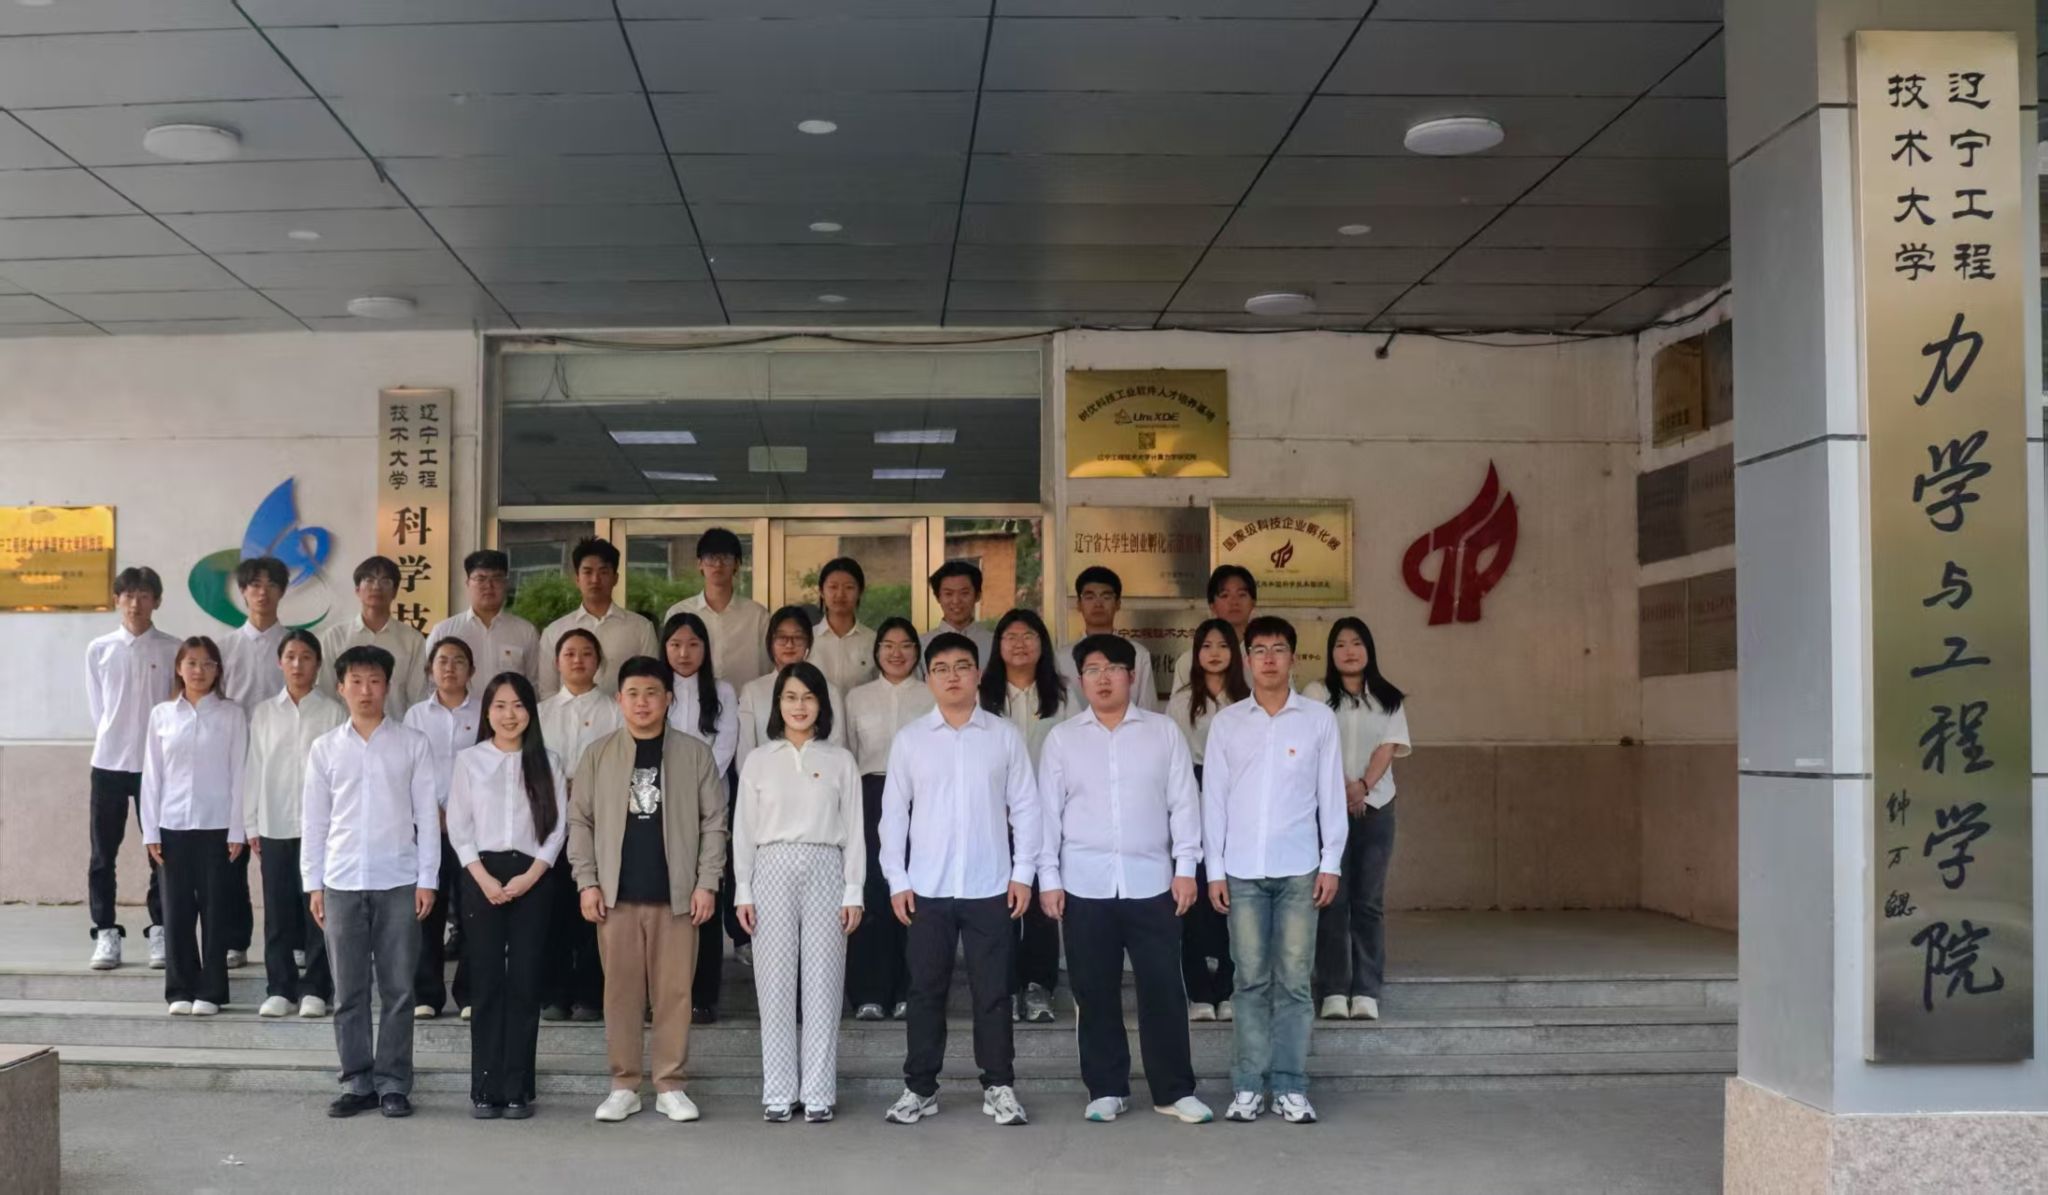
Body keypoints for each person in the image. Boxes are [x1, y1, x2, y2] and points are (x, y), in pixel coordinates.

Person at [1038, 634, 1210, 1125]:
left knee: (1163, 989)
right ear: (1080, 680)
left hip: (1152, 882)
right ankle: (1106, 1088)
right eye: (1093, 670)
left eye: (1113, 668)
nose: (1104, 678)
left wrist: (1186, 869)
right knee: (1093, 992)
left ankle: (1173, 1090)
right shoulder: (1063, 740)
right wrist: (1048, 877)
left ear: (1132, 676)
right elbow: (1047, 815)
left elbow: (1184, 804)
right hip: (1084, 884)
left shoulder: (1162, 732)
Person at [879, 632, 1037, 1128]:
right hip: (927, 887)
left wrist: (1024, 873)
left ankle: (999, 1086)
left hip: (991, 884)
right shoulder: (910, 740)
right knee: (925, 991)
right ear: (928, 678)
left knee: (994, 992)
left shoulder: (1003, 735)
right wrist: (897, 879)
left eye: (962, 666)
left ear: (978, 674)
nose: (953, 676)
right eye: (942, 668)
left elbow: (1026, 807)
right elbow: (893, 816)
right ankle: (920, 1089)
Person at [566, 657, 728, 1125]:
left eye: (652, 693)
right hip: (615, 896)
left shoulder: (694, 754)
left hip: (677, 897)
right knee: (620, 993)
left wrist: (707, 882)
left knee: (675, 993)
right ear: (619, 700)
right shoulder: (598, 754)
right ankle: (624, 1085)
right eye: (633, 693)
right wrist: (587, 881)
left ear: (669, 699)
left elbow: (714, 823)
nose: (642, 702)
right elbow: (580, 821)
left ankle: (670, 1085)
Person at [1202, 616, 1346, 1126]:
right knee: (1249, 982)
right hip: (1241, 871)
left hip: (1300, 869)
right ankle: (1247, 1086)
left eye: (1278, 649)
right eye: (1259, 649)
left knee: (1294, 984)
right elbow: (1213, 800)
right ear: (1247, 660)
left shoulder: (1317, 720)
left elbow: (1331, 796)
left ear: (1293, 658)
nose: (1268, 658)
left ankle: (1289, 1086)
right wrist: (1214, 870)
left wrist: (1331, 862)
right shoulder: (1227, 723)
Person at [301, 644, 441, 1120]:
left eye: (375, 681)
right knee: (349, 991)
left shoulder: (412, 743)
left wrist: (428, 879)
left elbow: (427, 816)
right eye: (356, 681)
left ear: (388, 686)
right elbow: (315, 822)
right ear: (340, 687)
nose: (366, 690)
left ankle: (394, 1083)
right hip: (341, 880)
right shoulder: (325, 749)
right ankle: (357, 1081)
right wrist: (313, 884)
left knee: (399, 989)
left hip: (399, 879)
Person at [733, 662, 864, 1122]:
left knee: (824, 983)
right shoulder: (759, 760)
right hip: (771, 867)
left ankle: (819, 1092)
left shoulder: (840, 760)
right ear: (778, 704)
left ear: (822, 705)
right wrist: (743, 889)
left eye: (809, 697)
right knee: (774, 985)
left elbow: (855, 828)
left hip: (827, 865)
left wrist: (854, 890)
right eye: (790, 697)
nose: (799, 706)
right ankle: (778, 1090)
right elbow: (743, 829)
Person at [448, 672, 567, 1120]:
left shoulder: (548, 761)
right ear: (487, 712)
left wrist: (531, 876)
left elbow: (557, 829)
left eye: (518, 705)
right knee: (486, 983)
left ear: (531, 712)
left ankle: (517, 1089)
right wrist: (483, 878)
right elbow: (459, 826)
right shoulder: (469, 761)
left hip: (533, 876)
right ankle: (484, 1088)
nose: (509, 715)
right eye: (500, 706)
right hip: (482, 875)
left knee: (524, 982)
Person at [1303, 618, 1410, 1024]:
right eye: (1340, 644)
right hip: (1327, 807)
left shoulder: (1388, 698)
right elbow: (1311, 746)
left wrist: (1362, 786)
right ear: (1330, 653)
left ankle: (1366, 989)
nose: (1349, 651)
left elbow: (1388, 747)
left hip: (1376, 806)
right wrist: (1341, 790)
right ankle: (1333, 988)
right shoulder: (1316, 694)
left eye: (1356, 643)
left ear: (1369, 649)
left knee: (1368, 901)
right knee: (1331, 899)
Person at [141, 635, 247, 1016]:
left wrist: (238, 828)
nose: (199, 671)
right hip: (172, 826)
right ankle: (180, 990)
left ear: (218, 670)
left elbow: (241, 773)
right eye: (191, 663)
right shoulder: (162, 715)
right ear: (178, 668)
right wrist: (150, 831)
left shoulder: (232, 715)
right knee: (177, 912)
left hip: (218, 826)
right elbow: (152, 776)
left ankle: (212, 991)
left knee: (217, 911)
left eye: (207, 664)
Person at [245, 629, 346, 1019]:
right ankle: (280, 988)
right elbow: (254, 768)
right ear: (279, 662)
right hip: (274, 823)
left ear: (318, 664)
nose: (298, 664)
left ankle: (317, 988)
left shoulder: (333, 712)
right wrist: (251, 824)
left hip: (321, 828)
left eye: (306, 657)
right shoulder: (264, 713)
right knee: (277, 910)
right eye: (290, 657)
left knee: (318, 910)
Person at [85, 566, 177, 971]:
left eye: (143, 595)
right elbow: (99, 709)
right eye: (128, 595)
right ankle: (105, 930)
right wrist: (115, 738)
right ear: (116, 600)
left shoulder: (172, 649)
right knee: (103, 853)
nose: (135, 603)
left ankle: (160, 928)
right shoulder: (100, 649)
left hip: (156, 767)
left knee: (161, 852)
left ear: (157, 600)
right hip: (109, 762)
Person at [841, 617, 932, 1021]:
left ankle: (909, 990)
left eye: (906, 645)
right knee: (872, 889)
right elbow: (847, 753)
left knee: (915, 890)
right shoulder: (856, 698)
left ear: (917, 652)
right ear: (876, 651)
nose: (897, 653)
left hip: (922, 798)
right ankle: (869, 992)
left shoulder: (931, 695)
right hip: (870, 795)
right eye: (888, 645)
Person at [980, 608, 1068, 1024]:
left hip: (1046, 814)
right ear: (998, 645)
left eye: (1028, 635)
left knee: (1040, 902)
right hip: (993, 815)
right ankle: (1004, 984)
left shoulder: (1062, 696)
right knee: (997, 903)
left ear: (1042, 644)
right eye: (1010, 636)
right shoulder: (982, 695)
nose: (1019, 644)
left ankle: (1038, 985)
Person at [1166, 617, 1249, 1022]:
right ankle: (1199, 991)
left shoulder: (1248, 699)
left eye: (1223, 645)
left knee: (1235, 898)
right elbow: (1173, 759)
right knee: (1194, 898)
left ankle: (1230, 988)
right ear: (1195, 654)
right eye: (1206, 646)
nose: (1214, 653)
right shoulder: (1182, 701)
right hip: (1192, 793)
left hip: (1240, 800)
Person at [535, 629, 619, 1023]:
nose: (578, 660)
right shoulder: (540, 712)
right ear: (557, 662)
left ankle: (590, 995)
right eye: (569, 653)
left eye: (587, 653)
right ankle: (554, 993)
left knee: (594, 909)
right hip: (549, 824)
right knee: (552, 910)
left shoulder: (614, 709)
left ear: (599, 661)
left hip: (599, 821)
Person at [661, 611, 740, 1021]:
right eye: (675, 644)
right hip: (662, 806)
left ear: (706, 649)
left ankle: (703, 995)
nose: (684, 653)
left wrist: (695, 789)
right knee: (665, 901)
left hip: (710, 807)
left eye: (693, 644)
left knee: (706, 896)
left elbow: (724, 748)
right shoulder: (656, 689)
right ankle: (665, 994)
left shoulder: (722, 691)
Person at [218, 555, 291, 971]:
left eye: (271, 584)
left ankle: (293, 940)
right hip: (233, 764)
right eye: (254, 585)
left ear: (282, 591)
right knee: (232, 857)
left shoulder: (295, 646)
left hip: (282, 766)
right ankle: (235, 939)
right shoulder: (224, 647)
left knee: (284, 860)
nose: (262, 592)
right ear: (243, 592)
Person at [402, 637, 481, 1020]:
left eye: (459, 660)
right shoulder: (416, 715)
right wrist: (430, 811)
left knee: (472, 912)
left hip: (475, 827)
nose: (450, 668)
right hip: (426, 826)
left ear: (472, 670)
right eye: (443, 661)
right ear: (430, 669)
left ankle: (469, 993)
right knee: (426, 910)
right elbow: (407, 767)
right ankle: (426, 994)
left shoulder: (485, 711)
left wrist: (461, 812)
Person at [539, 537, 658, 698]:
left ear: (615, 578)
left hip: (622, 714)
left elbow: (651, 683)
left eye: (603, 572)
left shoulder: (641, 628)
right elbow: (548, 691)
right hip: (569, 714)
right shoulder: (555, 631)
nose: (595, 579)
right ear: (577, 579)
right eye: (587, 572)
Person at [737, 606, 848, 768]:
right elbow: (745, 754)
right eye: (782, 637)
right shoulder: (752, 691)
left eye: (798, 637)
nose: (789, 644)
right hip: (768, 778)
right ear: (770, 642)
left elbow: (837, 746)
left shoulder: (829, 691)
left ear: (809, 643)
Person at [664, 527, 772, 691]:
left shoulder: (757, 615)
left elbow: (767, 667)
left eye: (726, 558)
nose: (718, 564)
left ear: (737, 564)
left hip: (746, 702)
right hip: (692, 702)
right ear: (699, 563)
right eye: (710, 558)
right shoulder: (679, 613)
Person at [320, 556, 427, 720]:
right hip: (345, 730)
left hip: (396, 730)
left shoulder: (412, 639)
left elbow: (418, 697)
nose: (376, 587)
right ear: (357, 590)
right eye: (369, 580)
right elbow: (326, 693)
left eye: (385, 581)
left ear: (395, 592)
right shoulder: (335, 637)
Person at [1053, 566, 1159, 713]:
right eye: (1089, 597)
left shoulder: (1139, 654)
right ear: (1079, 604)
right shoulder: (1061, 658)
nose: (1098, 604)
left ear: (1118, 603)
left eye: (1106, 597)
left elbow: (1148, 711)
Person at [428, 550, 541, 686]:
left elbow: (535, 684)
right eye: (480, 578)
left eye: (497, 578)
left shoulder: (526, 631)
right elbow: (429, 683)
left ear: (506, 584)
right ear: (468, 583)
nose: (488, 586)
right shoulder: (444, 631)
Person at [1172, 566, 1257, 693]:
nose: (1234, 602)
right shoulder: (1189, 661)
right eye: (1225, 595)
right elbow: (1179, 703)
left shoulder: (1266, 658)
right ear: (1212, 606)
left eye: (1241, 595)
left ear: (1253, 603)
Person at [807, 556, 876, 693]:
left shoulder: (873, 641)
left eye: (849, 587)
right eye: (833, 587)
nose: (840, 594)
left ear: (860, 592)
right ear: (821, 591)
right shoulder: (808, 639)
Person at [920, 560, 993, 664]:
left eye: (964, 593)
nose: (956, 601)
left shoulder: (994, 644)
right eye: (948, 594)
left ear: (977, 595)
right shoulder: (920, 646)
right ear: (938, 597)